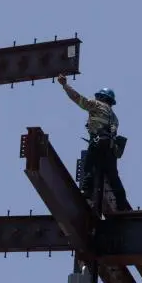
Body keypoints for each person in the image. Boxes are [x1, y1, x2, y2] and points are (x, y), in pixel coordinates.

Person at [57, 74, 131, 211]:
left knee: (89, 168)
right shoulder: (114, 117)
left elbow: (78, 99)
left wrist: (64, 85)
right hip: (110, 148)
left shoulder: (97, 105)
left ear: (102, 98)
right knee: (113, 175)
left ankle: (86, 194)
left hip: (98, 142)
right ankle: (122, 202)